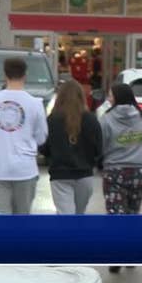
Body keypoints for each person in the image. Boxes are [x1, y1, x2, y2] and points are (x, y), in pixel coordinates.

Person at [99, 82, 142, 273]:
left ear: (116, 97)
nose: (108, 98)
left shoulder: (106, 118)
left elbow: (101, 145)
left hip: (114, 172)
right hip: (138, 172)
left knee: (116, 215)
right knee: (133, 214)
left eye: (110, 95)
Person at [0, 57, 48, 215]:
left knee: (2, 215)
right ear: (25, 75)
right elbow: (41, 137)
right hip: (25, 169)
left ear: (5, 75)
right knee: (22, 217)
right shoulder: (35, 103)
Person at [41, 80, 103, 215]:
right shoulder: (91, 119)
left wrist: (52, 156)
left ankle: (68, 236)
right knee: (79, 215)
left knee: (65, 215)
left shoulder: (52, 120)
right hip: (84, 174)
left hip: (60, 174)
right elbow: (99, 148)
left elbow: (43, 146)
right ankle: (78, 236)